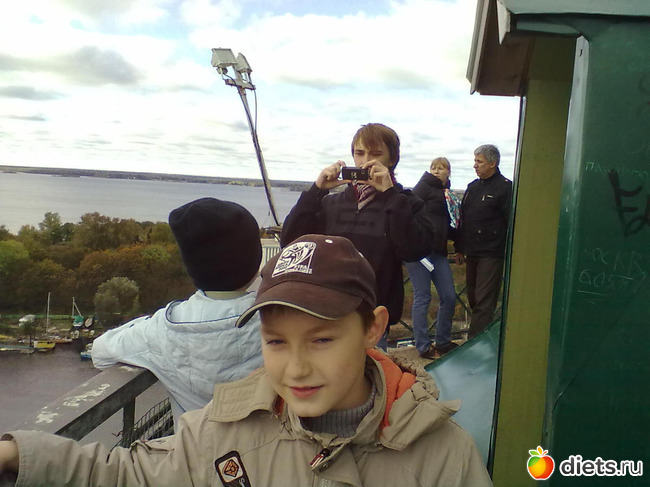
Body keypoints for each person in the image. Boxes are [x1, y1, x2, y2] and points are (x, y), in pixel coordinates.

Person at [0, 234, 492, 486]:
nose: (295, 369)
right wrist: (17, 454)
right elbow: (124, 475)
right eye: (276, 342)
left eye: (321, 340)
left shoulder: (441, 454)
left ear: (373, 328)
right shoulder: (224, 430)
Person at [91, 197, 264, 429]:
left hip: (194, 449)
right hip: (274, 447)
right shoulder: (278, 319)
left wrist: (148, 322)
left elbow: (100, 353)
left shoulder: (164, 329)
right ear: (254, 261)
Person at [280, 123, 434, 347]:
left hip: (373, 316)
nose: (365, 161)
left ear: (392, 159)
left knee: (371, 368)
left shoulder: (405, 202)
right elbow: (290, 241)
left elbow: (414, 249)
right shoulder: (331, 203)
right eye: (359, 153)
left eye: (376, 154)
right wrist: (317, 190)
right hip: (327, 311)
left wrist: (390, 195)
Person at [405, 157, 462, 359]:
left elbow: (452, 224)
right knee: (423, 296)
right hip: (419, 252)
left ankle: (443, 341)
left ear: (449, 172)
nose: (436, 171)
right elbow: (406, 211)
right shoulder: (424, 186)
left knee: (449, 296)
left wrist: (459, 247)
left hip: (438, 252)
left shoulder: (447, 194)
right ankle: (423, 346)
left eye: (441, 168)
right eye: (433, 168)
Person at [456, 144, 512, 338]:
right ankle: (482, 338)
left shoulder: (505, 188)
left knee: (484, 302)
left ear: (492, 163)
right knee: (473, 298)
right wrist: (459, 248)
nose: (475, 165)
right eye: (475, 161)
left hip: (492, 253)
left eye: (479, 161)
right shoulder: (472, 187)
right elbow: (464, 220)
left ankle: (475, 344)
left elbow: (511, 222)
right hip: (472, 251)